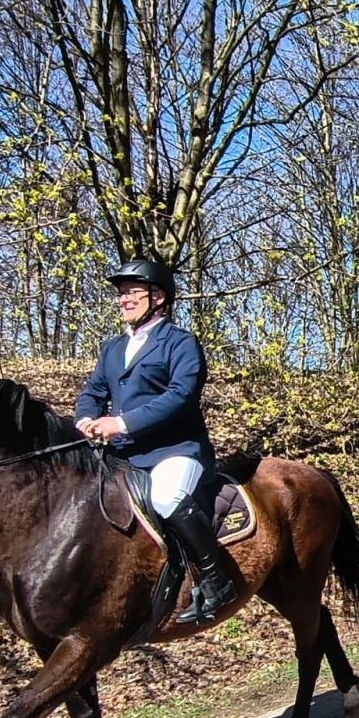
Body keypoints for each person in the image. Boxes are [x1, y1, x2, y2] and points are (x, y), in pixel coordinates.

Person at [74, 258, 236, 625]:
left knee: (166, 497)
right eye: (120, 294)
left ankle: (216, 579)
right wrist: (85, 418)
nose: (122, 300)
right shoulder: (112, 349)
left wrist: (121, 422)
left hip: (176, 451)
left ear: (158, 297)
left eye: (130, 292)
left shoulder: (181, 343)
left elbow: (181, 396)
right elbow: (93, 391)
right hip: (124, 455)